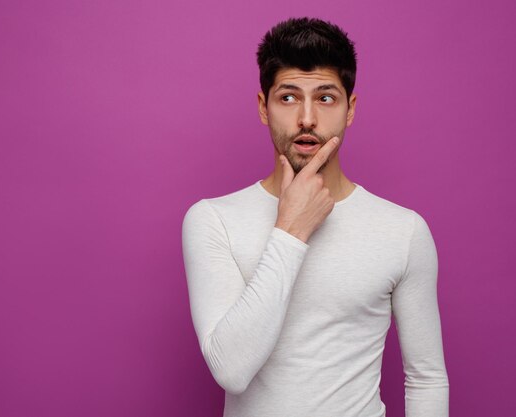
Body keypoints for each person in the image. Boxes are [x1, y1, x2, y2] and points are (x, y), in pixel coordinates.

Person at [181, 17, 449, 417]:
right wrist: (291, 229)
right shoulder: (212, 220)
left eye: (325, 98)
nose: (307, 118)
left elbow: (426, 378)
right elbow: (231, 370)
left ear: (350, 109)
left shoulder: (403, 231)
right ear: (263, 107)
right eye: (288, 97)